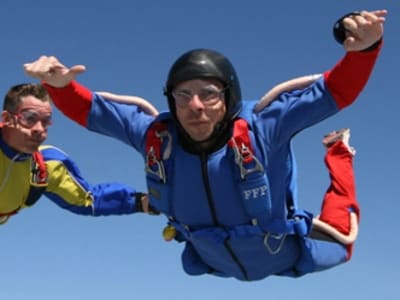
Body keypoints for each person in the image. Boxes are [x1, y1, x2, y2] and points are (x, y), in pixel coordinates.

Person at [24, 9, 386, 281]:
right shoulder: (156, 138)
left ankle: (339, 152)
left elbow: (335, 91)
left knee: (342, 241)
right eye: (183, 95)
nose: (194, 105)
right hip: (211, 260)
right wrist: (58, 86)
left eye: (208, 94)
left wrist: (365, 50)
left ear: (229, 99)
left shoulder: (264, 128)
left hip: (285, 252)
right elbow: (95, 114)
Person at [0, 83, 158, 225]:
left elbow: (87, 201)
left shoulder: (47, 165)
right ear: (7, 118)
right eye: (29, 118)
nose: (39, 129)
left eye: (46, 121)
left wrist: (144, 202)